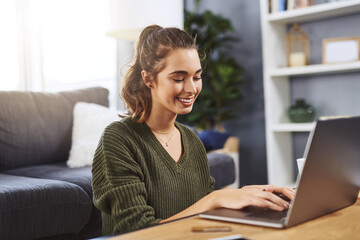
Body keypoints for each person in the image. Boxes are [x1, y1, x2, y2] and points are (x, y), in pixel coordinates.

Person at [92, 25, 295, 235]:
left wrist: (248, 196)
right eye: (178, 78)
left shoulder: (191, 139)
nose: (191, 89)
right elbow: (137, 231)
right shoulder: (118, 139)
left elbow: (201, 213)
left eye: (196, 77)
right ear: (148, 79)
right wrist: (216, 198)